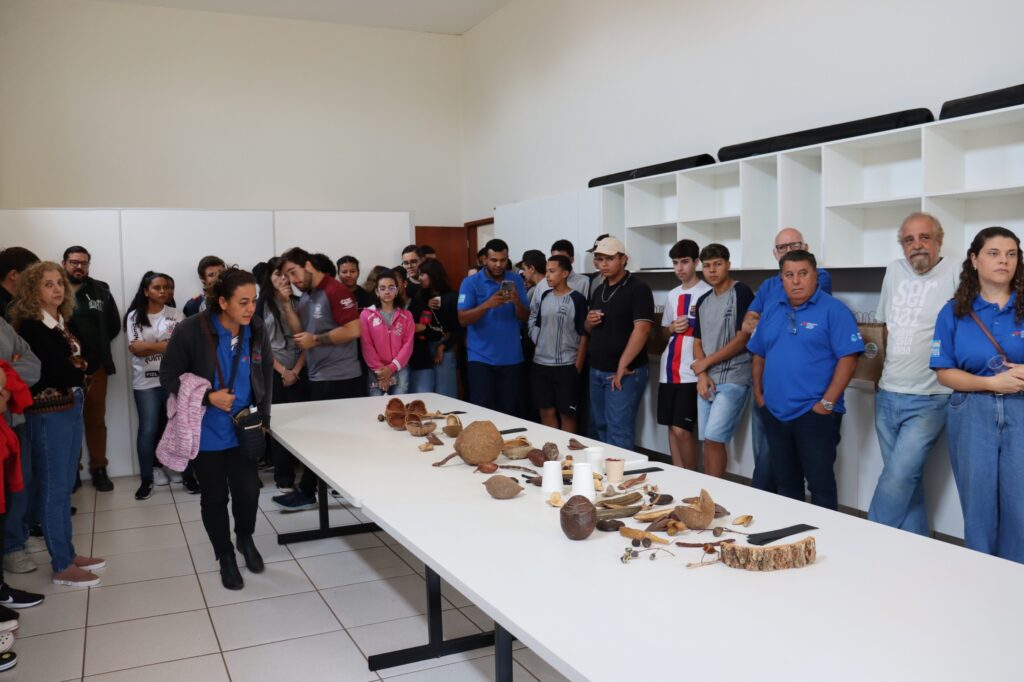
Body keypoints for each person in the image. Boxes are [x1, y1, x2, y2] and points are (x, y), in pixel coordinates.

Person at [161, 267, 273, 590]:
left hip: (245, 428)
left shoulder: (256, 328)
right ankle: (224, 555)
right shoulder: (191, 330)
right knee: (214, 497)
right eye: (243, 302)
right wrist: (208, 397)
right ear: (223, 302)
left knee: (249, 491)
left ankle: (245, 539)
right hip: (205, 430)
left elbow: (265, 372)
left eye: (254, 300)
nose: (251, 308)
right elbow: (168, 376)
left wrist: (264, 418)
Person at [9, 262, 106, 586]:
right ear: (32, 290)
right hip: (48, 414)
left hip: (70, 406)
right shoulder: (31, 327)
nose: (57, 289)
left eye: (59, 283)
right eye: (48, 284)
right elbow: (55, 372)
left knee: (64, 487)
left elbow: (93, 354)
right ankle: (62, 565)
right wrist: (78, 368)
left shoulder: (63, 321)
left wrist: (77, 367)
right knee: (54, 489)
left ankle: (68, 552)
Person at [931, 226, 1024, 563]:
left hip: (1020, 410)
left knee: (1020, 505)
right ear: (974, 260)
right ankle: (980, 574)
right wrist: (991, 384)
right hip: (971, 412)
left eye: (1011, 254)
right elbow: (944, 372)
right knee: (978, 505)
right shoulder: (954, 311)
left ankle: (1015, 578)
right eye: (994, 253)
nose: (1004, 261)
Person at [747, 250, 863, 510]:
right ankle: (794, 533)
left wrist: (827, 403)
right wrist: (759, 396)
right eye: (789, 275)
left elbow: (848, 359)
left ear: (815, 276)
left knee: (821, 486)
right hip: (775, 413)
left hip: (815, 414)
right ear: (781, 279)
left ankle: (827, 534)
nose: (796, 281)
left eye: (802, 273)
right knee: (786, 484)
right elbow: (759, 354)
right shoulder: (772, 310)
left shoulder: (835, 311)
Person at [868, 213, 958, 535]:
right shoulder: (894, 270)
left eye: (924, 237)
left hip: (930, 397)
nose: (917, 245)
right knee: (908, 479)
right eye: (909, 240)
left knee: (898, 477)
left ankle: (869, 540)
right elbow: (885, 327)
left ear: (939, 241)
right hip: (888, 392)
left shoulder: (957, 270)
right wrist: (882, 377)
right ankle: (918, 548)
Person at [740, 228, 832, 492]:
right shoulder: (769, 284)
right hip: (765, 381)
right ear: (775, 254)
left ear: (806, 247)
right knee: (766, 454)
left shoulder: (820, 276)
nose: (788, 251)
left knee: (779, 461)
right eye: (782, 248)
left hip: (801, 393)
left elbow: (796, 304)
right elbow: (748, 323)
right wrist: (768, 323)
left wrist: (766, 321)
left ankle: (764, 503)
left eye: (794, 245)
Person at [274, 247, 361, 511]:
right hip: (318, 374)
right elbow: (300, 333)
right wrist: (286, 302)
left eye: (294, 272)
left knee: (326, 438)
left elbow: (354, 329)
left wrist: (317, 340)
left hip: (340, 376)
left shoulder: (336, 290)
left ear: (309, 265)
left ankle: (308, 491)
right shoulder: (306, 296)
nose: (293, 280)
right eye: (288, 276)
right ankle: (310, 491)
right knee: (320, 437)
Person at [691, 244, 754, 478]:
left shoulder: (741, 292)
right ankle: (708, 490)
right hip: (707, 379)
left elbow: (742, 339)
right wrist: (702, 375)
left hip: (734, 377)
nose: (712, 270)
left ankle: (716, 491)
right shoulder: (703, 301)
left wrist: (705, 364)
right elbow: (697, 343)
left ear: (728, 264)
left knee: (714, 437)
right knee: (707, 441)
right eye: (707, 266)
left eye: (717, 264)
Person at [585, 237, 655, 449]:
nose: (603, 264)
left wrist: (622, 364)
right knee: (600, 427)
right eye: (599, 259)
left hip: (624, 372)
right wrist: (589, 321)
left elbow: (642, 329)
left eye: (609, 259)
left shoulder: (638, 288)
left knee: (618, 430)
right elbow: (587, 328)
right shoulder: (600, 289)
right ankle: (603, 469)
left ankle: (619, 470)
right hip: (597, 368)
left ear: (623, 259)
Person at [62, 246, 120, 493]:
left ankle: (99, 468)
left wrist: (96, 350)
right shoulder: (54, 288)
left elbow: (113, 325)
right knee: (69, 420)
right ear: (64, 263)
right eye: (74, 262)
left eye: (84, 263)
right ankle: (72, 471)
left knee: (95, 419)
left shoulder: (100, 291)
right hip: (63, 368)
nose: (79, 267)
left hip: (96, 365)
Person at [124, 272, 183, 500]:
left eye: (166, 287)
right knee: (148, 429)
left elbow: (179, 347)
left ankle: (180, 470)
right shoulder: (134, 316)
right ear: (146, 291)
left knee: (176, 426)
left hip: (173, 379)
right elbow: (136, 349)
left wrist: (149, 346)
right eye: (157, 287)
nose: (162, 291)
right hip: (145, 382)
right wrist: (165, 345)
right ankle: (147, 478)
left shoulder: (176, 314)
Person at [457, 239, 529, 414]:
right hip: (480, 358)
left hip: (512, 358)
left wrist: (517, 302)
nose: (498, 264)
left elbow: (526, 317)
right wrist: (487, 305)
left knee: (509, 412)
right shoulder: (470, 282)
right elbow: (462, 319)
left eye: (503, 260)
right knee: (483, 412)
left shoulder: (515, 280)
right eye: (494, 260)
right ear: (485, 260)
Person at [656, 239, 711, 470]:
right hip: (668, 370)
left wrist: (704, 370)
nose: (679, 268)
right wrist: (671, 328)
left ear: (696, 262)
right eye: (675, 263)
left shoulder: (708, 292)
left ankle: (692, 476)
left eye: (684, 262)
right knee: (671, 427)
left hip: (692, 371)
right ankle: (679, 475)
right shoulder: (672, 295)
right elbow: (663, 332)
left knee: (683, 429)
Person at [256, 258, 308, 492]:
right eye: (278, 274)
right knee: (278, 425)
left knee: (303, 423)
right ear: (269, 277)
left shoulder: (300, 302)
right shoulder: (260, 304)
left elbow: (308, 339)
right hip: (272, 371)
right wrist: (283, 371)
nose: (284, 278)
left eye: (288, 274)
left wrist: (295, 370)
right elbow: (258, 345)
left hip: (300, 370)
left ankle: (307, 477)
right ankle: (283, 477)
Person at [0, 317, 41, 576]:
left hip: (14, 418)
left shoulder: (2, 324)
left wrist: (4, 376)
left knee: (19, 482)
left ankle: (14, 543)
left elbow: (33, 364)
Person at [529, 255, 588, 433]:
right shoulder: (545, 296)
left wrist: (577, 366)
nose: (547, 275)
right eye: (546, 271)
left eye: (552, 271)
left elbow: (584, 334)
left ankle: (567, 450)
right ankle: (550, 447)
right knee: (546, 411)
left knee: (567, 414)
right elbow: (538, 325)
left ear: (565, 273)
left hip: (566, 365)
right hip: (541, 364)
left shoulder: (577, 299)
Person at [408, 259, 460, 397]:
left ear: (433, 275)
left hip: (444, 348)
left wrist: (443, 347)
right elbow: (412, 320)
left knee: (444, 392)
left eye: (422, 274)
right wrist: (426, 305)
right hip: (422, 350)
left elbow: (458, 329)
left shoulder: (452, 297)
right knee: (425, 394)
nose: (419, 278)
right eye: (419, 275)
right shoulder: (419, 297)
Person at [360, 270, 414, 396]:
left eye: (391, 288)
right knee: (376, 406)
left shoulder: (406, 315)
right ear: (377, 292)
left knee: (398, 405)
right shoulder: (366, 314)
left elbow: (408, 345)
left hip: (400, 369)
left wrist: (391, 368)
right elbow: (367, 345)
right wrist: (381, 371)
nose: (387, 291)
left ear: (396, 291)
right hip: (376, 371)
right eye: (382, 288)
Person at [0, 248, 39, 318]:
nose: (36, 281)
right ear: (14, 275)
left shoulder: (14, 302)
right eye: (32, 275)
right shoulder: (5, 308)